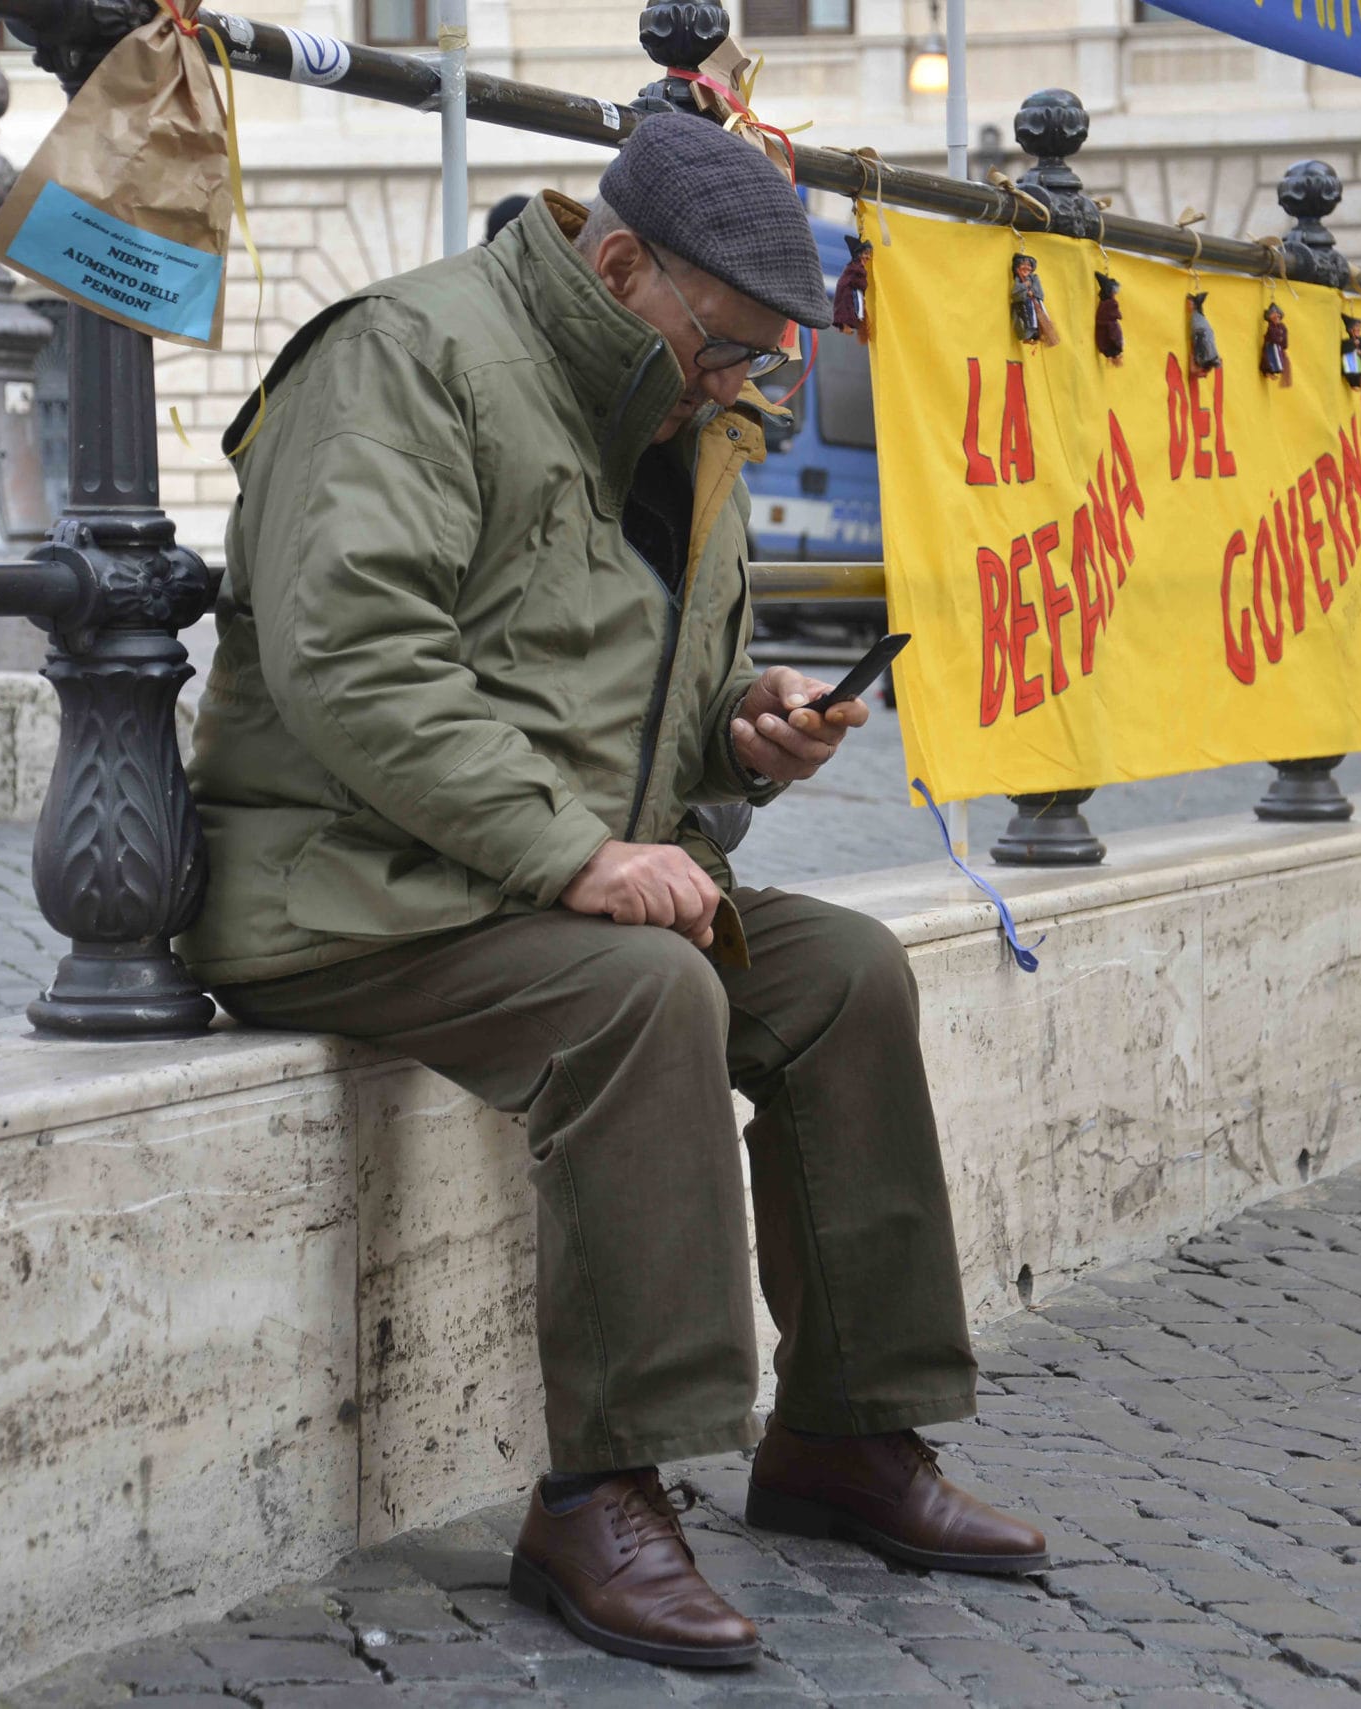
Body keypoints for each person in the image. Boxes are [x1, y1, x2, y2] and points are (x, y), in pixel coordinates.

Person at [180, 112, 1044, 1672]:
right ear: (622, 261)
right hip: (343, 885)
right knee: (648, 994)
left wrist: (746, 732)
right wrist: (576, 854)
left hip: (525, 879)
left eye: (758, 365)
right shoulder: (410, 358)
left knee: (846, 972)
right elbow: (353, 657)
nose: (742, 389)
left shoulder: (686, 413)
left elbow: (648, 700)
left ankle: (849, 1434)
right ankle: (600, 1491)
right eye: (724, 354)